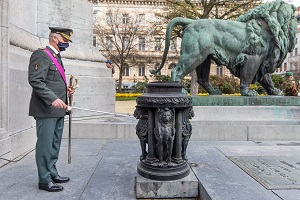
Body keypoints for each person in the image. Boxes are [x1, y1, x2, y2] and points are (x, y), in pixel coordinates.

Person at [28, 27, 74, 192]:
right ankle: (44, 179)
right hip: (46, 109)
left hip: (59, 109)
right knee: (45, 145)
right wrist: (53, 98)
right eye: (65, 40)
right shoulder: (41, 54)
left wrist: (66, 90)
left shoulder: (56, 56)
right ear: (55, 38)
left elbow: (52, 81)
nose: (67, 44)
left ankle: (52, 172)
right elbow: (36, 80)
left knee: (54, 144)